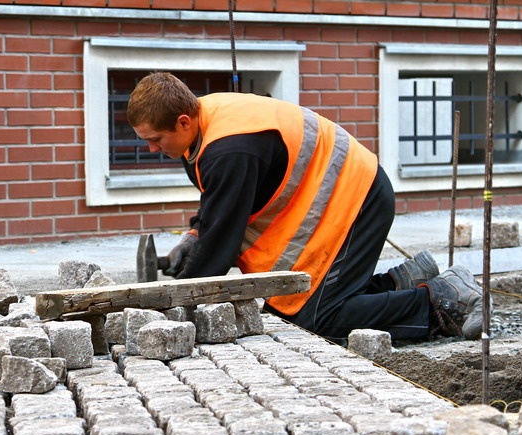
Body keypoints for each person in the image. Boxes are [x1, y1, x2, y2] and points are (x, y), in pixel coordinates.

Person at [127, 71, 486, 342]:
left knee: (319, 319)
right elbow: (219, 203)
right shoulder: (203, 126)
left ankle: (440, 301)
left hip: (357, 198)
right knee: (302, 303)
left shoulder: (229, 149)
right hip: (339, 196)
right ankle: (403, 280)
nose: (153, 150)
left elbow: (221, 243)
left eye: (156, 140)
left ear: (183, 121)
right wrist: (194, 235)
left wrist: (177, 304)